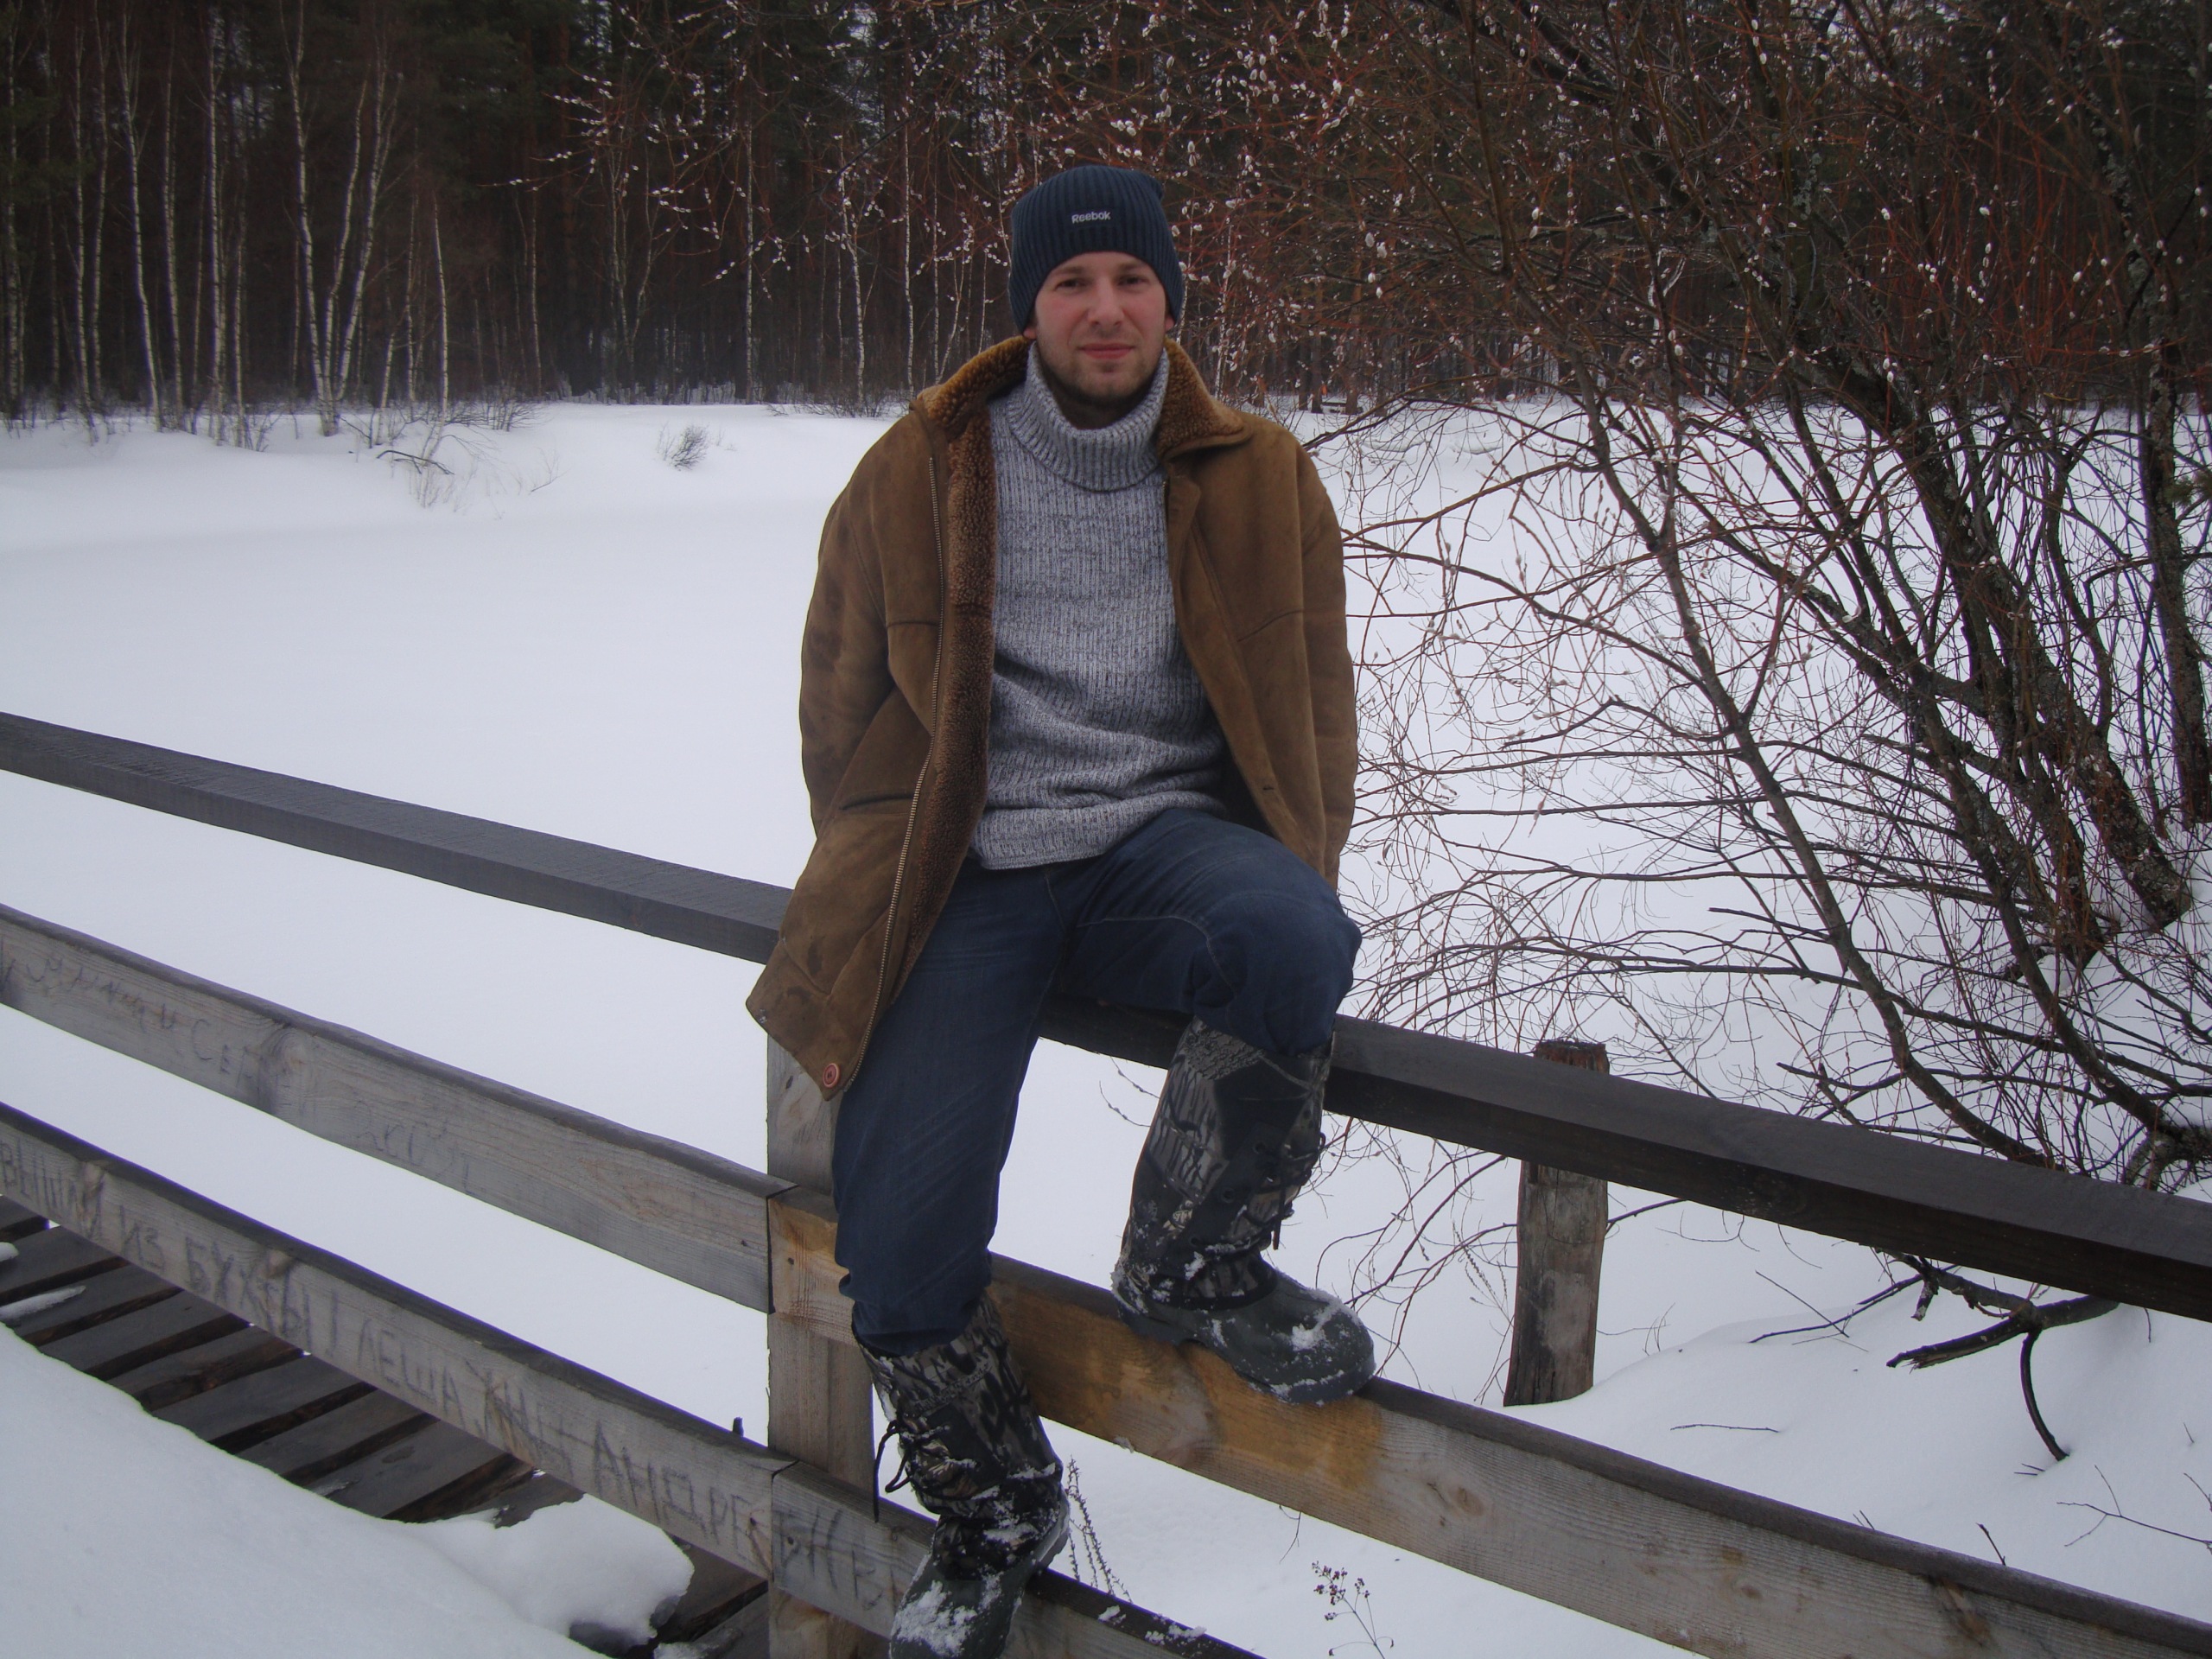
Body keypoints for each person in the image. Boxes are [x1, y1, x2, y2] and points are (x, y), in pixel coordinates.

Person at [746, 163, 1370, 1659]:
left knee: (1296, 933)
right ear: (1029, 305)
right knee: (898, 1236)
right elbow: (838, 693)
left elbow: (1316, 701)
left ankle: (1190, 1257)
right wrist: (886, 864)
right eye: (1072, 283)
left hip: (1167, 849)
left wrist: (1299, 849)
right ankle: (993, 1507)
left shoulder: (1261, 471)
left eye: (1132, 281)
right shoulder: (921, 463)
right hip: (971, 869)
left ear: (1171, 301)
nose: (1105, 309)